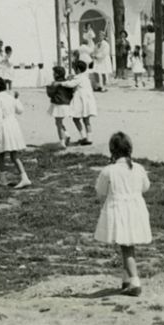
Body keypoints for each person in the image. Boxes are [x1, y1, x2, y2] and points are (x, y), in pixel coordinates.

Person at [94, 132, 152, 296]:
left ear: (112, 151)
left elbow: (100, 191)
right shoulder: (139, 168)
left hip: (119, 210)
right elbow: (146, 187)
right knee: (127, 245)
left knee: (126, 247)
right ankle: (126, 279)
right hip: (135, 209)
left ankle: (135, 281)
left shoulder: (109, 170)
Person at [0, 77, 31, 189]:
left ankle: (4, 179)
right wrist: (17, 99)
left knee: (1, 154)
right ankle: (24, 177)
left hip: (4, 126)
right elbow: (20, 110)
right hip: (14, 125)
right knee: (14, 154)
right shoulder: (10, 96)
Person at [59, 60, 97, 145]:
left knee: (76, 119)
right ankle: (89, 138)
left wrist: (61, 83)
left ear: (78, 69)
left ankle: (83, 136)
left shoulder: (78, 78)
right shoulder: (85, 77)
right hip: (88, 101)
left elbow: (70, 84)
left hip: (80, 100)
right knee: (86, 120)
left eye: (74, 69)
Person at [45, 65, 74, 147]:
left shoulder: (55, 83)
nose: (53, 74)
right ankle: (66, 134)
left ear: (57, 74)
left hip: (58, 104)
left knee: (58, 123)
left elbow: (50, 94)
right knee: (60, 122)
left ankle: (62, 142)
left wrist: (48, 87)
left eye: (54, 73)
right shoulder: (67, 82)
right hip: (66, 104)